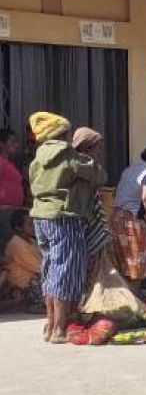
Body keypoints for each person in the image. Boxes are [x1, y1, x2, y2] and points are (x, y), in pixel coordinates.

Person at [28, 112, 105, 343]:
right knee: (66, 272)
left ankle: (51, 325)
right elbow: (99, 175)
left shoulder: (37, 159)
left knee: (51, 269)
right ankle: (60, 330)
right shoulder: (68, 156)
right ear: (63, 134)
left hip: (41, 218)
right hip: (64, 217)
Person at [111, 144, 146, 284]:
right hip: (132, 221)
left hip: (116, 219)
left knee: (124, 264)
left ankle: (128, 299)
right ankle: (136, 300)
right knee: (136, 265)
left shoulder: (130, 169)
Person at [72, 127, 112, 287]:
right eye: (98, 147)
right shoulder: (80, 162)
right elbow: (100, 177)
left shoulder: (86, 162)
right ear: (87, 146)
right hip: (79, 215)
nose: (100, 151)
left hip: (86, 213)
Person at [4, 210, 42, 307]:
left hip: (35, 280)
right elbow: (39, 268)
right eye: (30, 225)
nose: (34, 227)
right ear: (18, 227)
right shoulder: (17, 243)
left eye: (34, 224)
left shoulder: (31, 240)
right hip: (25, 286)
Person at [0, 128, 24, 208]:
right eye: (12, 141)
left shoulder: (9, 163)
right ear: (1, 143)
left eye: (16, 142)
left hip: (12, 210)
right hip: (4, 210)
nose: (16, 145)